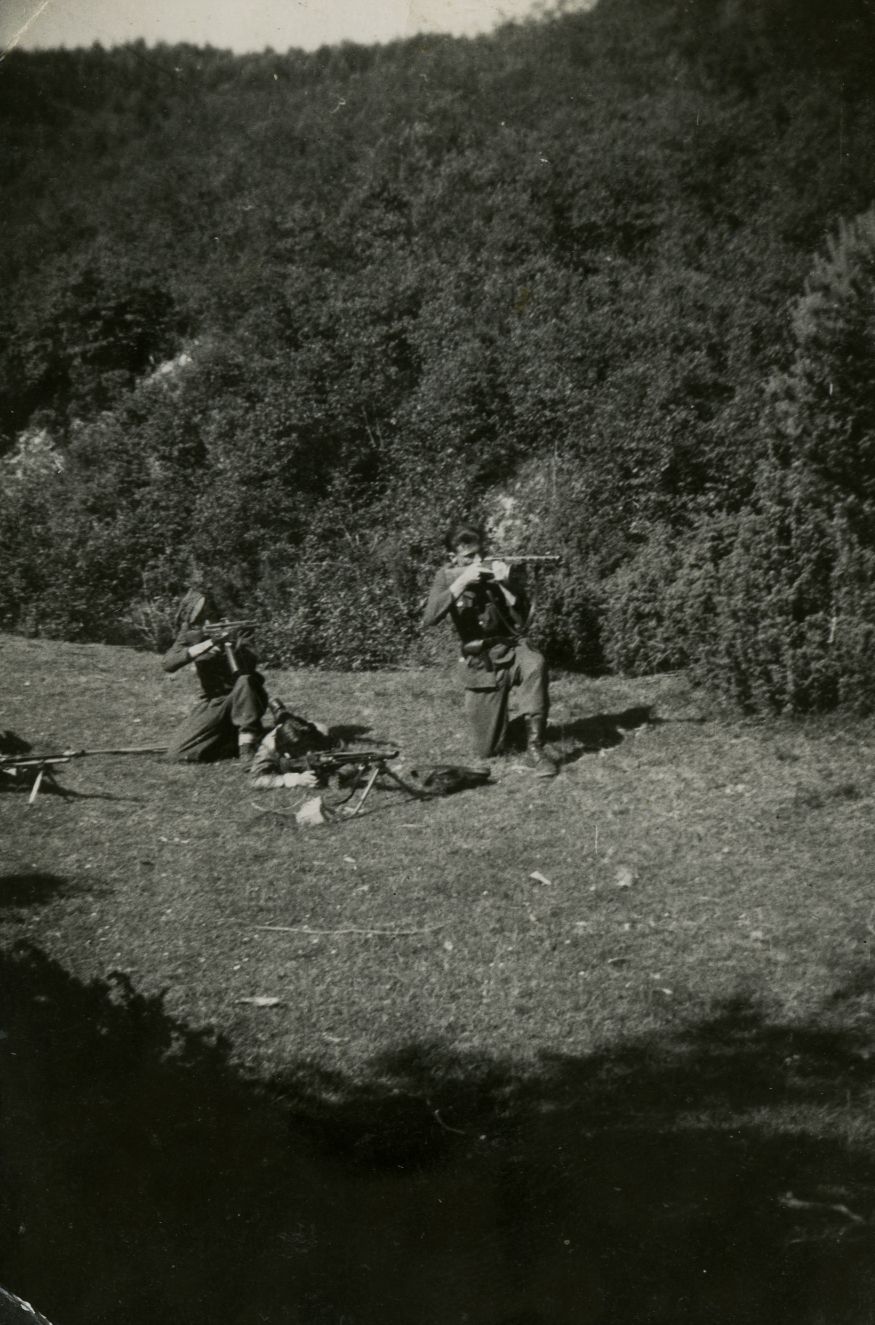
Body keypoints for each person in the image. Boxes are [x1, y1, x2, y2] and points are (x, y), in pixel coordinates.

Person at [422, 522, 558, 777]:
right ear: (453, 558)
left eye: (481, 554)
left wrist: (505, 584)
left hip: (512, 649)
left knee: (535, 663)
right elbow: (429, 618)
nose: (479, 560)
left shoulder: (496, 571)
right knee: (487, 750)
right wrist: (462, 581)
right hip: (481, 662)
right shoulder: (446, 577)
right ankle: (521, 724)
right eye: (470, 556)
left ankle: (535, 747)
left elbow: (521, 622)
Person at [162, 588, 268, 763]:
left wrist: (231, 648)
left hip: (244, 697)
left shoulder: (238, 628)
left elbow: (248, 667)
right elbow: (169, 663)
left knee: (245, 680)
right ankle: (230, 742)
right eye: (202, 618)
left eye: (210, 613)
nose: (209, 620)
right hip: (213, 702)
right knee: (177, 754)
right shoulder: (190, 633)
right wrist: (208, 644)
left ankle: (247, 743)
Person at [250, 702, 332, 789]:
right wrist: (295, 779)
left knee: (289, 722)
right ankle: (280, 713)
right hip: (274, 739)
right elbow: (256, 780)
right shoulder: (268, 747)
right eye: (300, 750)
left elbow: (342, 753)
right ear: (285, 750)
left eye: (308, 747)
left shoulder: (320, 732)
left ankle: (281, 713)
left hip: (302, 727)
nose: (308, 752)